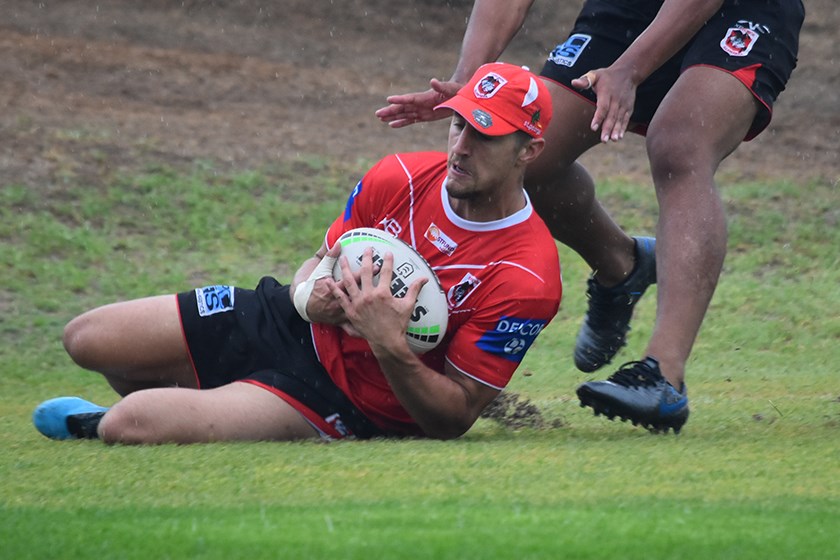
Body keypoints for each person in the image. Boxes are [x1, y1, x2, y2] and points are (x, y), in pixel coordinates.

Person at [33, 62, 562, 444]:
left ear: (529, 150)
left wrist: (388, 344)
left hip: (348, 398)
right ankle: (210, 402)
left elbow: (455, 416)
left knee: (129, 423)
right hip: (290, 322)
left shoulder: (527, 276)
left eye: (485, 136)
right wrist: (311, 297)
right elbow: (320, 257)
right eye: (458, 124)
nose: (461, 147)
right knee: (88, 338)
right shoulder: (399, 174)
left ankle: (138, 417)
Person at [376, 0, 804, 434]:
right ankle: (622, 266)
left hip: (742, 9)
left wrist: (629, 70)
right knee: (522, 156)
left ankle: (663, 374)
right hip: (631, 9)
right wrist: (469, 83)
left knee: (678, 145)